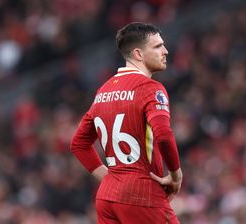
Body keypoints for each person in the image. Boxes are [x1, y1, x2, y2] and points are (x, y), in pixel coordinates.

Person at [70, 22, 183, 224]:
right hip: (142, 195)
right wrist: (176, 175)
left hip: (107, 199)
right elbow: (164, 135)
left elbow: (78, 143)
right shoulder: (150, 88)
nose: (165, 51)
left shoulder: (103, 91)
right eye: (158, 46)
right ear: (138, 54)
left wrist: (109, 178)